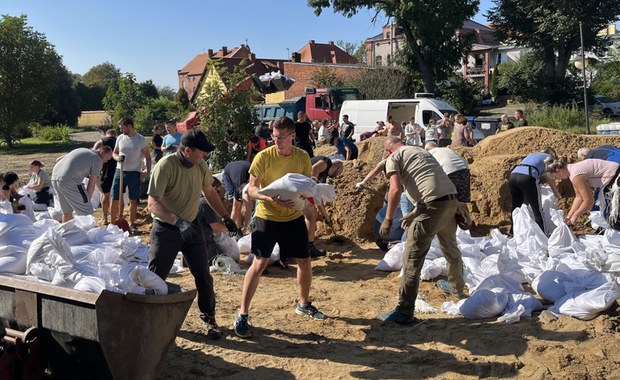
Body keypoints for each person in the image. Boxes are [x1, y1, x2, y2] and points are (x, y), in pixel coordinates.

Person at [233, 116, 325, 339]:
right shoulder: (263, 157)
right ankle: (243, 313)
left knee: (304, 260)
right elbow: (251, 190)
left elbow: (305, 184)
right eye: (274, 137)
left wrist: (308, 196)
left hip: (293, 216)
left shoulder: (302, 157)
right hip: (267, 216)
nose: (277, 142)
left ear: (292, 135)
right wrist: (270, 198)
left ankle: (303, 303)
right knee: (259, 262)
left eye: (282, 138)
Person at [147, 129, 238, 340]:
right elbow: (152, 204)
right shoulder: (165, 166)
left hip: (192, 226)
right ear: (187, 150)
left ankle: (209, 319)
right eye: (201, 152)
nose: (204, 155)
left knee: (204, 277)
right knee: (155, 279)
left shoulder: (199, 165)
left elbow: (209, 191)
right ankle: (151, 321)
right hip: (165, 230)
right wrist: (177, 222)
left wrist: (225, 216)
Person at [377, 136, 465, 325]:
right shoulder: (421, 151)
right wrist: (415, 212)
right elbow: (430, 184)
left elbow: (395, 190)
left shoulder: (394, 157)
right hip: (451, 201)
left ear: (387, 151)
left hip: (433, 205)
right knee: (450, 247)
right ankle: (456, 288)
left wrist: (388, 219)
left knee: (412, 257)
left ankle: (404, 311)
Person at [545, 157, 620, 229]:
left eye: (555, 177)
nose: (558, 179)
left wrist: (575, 217)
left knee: (614, 219)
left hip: (616, 178)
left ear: (559, 171)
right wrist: (569, 216)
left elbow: (589, 201)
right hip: (614, 176)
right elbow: (579, 196)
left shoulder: (576, 175)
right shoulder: (573, 171)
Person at [110, 117, 151, 235]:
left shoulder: (140, 139)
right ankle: (113, 224)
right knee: (115, 198)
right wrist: (118, 158)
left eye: (123, 128)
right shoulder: (120, 138)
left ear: (129, 126)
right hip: (120, 171)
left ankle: (132, 224)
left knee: (133, 199)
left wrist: (147, 173)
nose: (121, 130)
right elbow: (114, 153)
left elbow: (148, 157)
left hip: (134, 172)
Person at [51, 146, 113, 222]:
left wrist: (103, 192)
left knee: (67, 212)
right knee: (87, 211)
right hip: (70, 180)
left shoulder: (83, 150)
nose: (106, 161)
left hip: (55, 178)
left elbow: (59, 159)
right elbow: (92, 183)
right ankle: (85, 233)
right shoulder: (97, 159)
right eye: (106, 158)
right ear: (102, 152)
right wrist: (87, 201)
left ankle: (67, 232)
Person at [509, 148, 560, 233]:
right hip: (528, 176)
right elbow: (549, 176)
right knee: (537, 209)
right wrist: (556, 192)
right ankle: (542, 235)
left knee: (516, 206)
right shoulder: (550, 157)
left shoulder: (532, 155)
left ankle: (512, 233)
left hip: (513, 176)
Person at [93, 128, 117, 224]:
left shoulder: (102, 141)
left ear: (107, 134)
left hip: (105, 171)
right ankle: (115, 216)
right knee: (116, 196)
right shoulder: (119, 141)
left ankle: (105, 217)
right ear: (115, 135)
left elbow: (94, 152)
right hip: (117, 171)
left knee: (104, 194)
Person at [223, 160, 252, 232]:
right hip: (228, 172)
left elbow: (249, 208)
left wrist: (246, 227)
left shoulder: (254, 183)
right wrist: (230, 229)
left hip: (245, 169)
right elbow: (235, 208)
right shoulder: (239, 188)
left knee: (242, 203)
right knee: (235, 202)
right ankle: (234, 228)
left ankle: (239, 228)